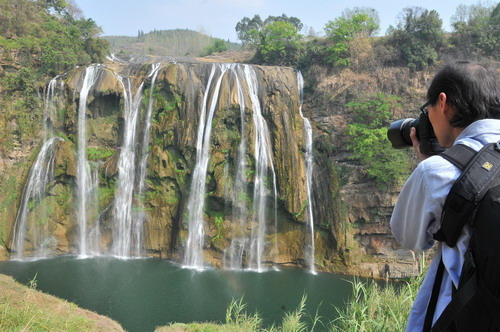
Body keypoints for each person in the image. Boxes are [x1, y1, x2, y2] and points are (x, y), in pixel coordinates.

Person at [390, 60, 500, 331]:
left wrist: (428, 163)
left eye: (427, 109)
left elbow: (411, 238)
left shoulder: (435, 172)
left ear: (443, 103)